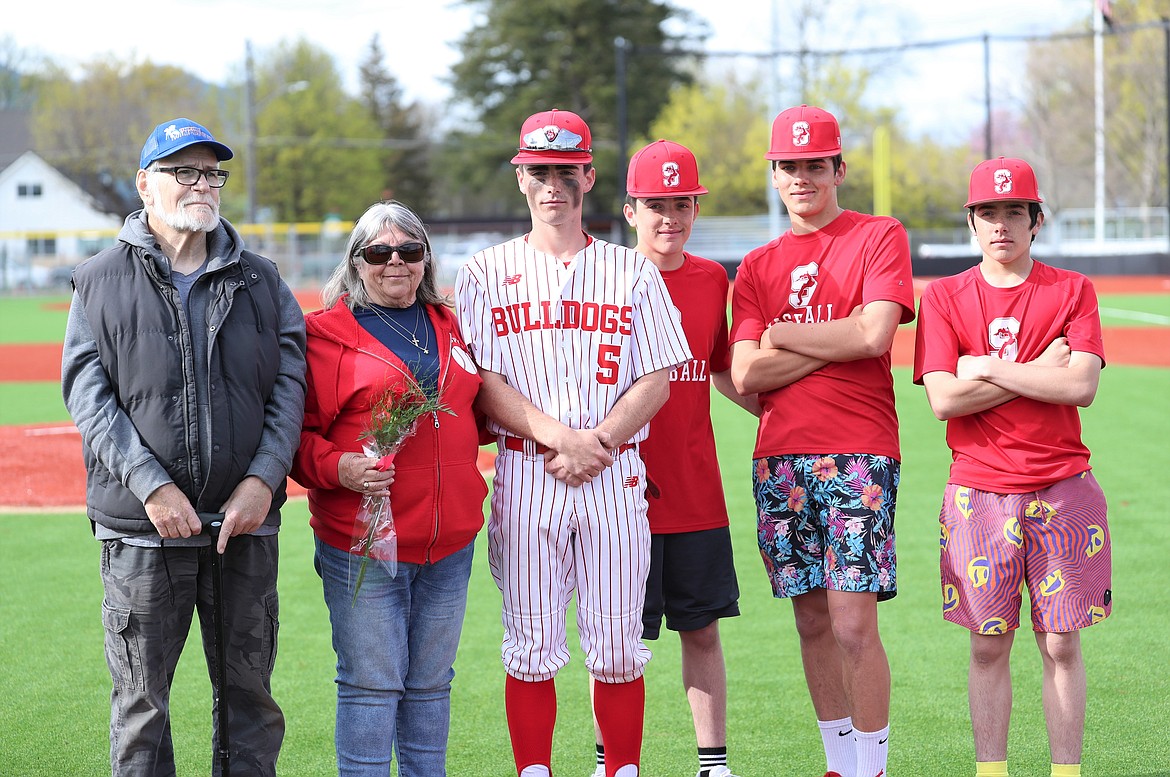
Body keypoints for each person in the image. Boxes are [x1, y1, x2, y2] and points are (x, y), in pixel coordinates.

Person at [61, 117, 307, 776]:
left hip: (245, 528)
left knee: (251, 700)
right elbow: (89, 396)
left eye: (212, 173)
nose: (203, 184)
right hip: (143, 534)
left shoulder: (262, 279)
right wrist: (152, 486)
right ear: (146, 184)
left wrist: (261, 480)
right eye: (185, 171)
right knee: (143, 707)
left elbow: (289, 389)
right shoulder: (98, 280)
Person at [454, 109, 691, 777]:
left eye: (565, 171)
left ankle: (621, 769)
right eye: (539, 171)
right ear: (521, 179)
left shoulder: (631, 271)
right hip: (527, 473)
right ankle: (535, 769)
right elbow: (484, 380)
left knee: (617, 645)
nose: (552, 184)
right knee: (529, 643)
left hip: (613, 475)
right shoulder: (484, 273)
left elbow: (657, 377)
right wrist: (561, 436)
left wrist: (602, 439)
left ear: (589, 176)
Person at [728, 104, 915, 777]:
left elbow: (874, 336)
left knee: (853, 622)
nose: (802, 175)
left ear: (839, 168)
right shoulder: (755, 264)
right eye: (789, 165)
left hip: (859, 451)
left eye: (815, 164)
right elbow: (744, 370)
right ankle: (839, 763)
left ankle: (873, 768)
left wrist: (781, 333)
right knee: (810, 619)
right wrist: (829, 338)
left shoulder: (877, 234)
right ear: (774, 175)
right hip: (779, 457)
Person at [913, 157, 1111, 777]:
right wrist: (1037, 369)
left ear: (1036, 220)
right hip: (978, 489)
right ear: (972, 222)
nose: (1001, 224)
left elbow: (1080, 385)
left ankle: (1066, 771)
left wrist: (990, 367)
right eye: (988, 213)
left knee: (1061, 642)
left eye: (1014, 212)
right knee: (987, 644)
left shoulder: (1071, 290)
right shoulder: (944, 295)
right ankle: (991, 771)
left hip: (1063, 486)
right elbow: (944, 399)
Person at [290, 200, 488, 776]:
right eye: (378, 252)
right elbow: (292, 436)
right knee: (371, 687)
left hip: (449, 543)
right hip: (363, 546)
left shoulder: (456, 326)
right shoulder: (321, 335)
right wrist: (339, 468)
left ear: (426, 259)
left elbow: (480, 414)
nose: (394, 262)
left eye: (409, 251)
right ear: (356, 262)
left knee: (430, 687)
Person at [585, 139, 760, 777]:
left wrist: (784, 418)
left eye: (681, 203)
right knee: (613, 641)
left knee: (703, 630)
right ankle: (615, 759)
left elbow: (720, 371)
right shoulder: (601, 276)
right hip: (614, 492)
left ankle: (711, 764)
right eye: (655, 204)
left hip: (694, 490)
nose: (669, 217)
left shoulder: (713, 279)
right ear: (630, 210)